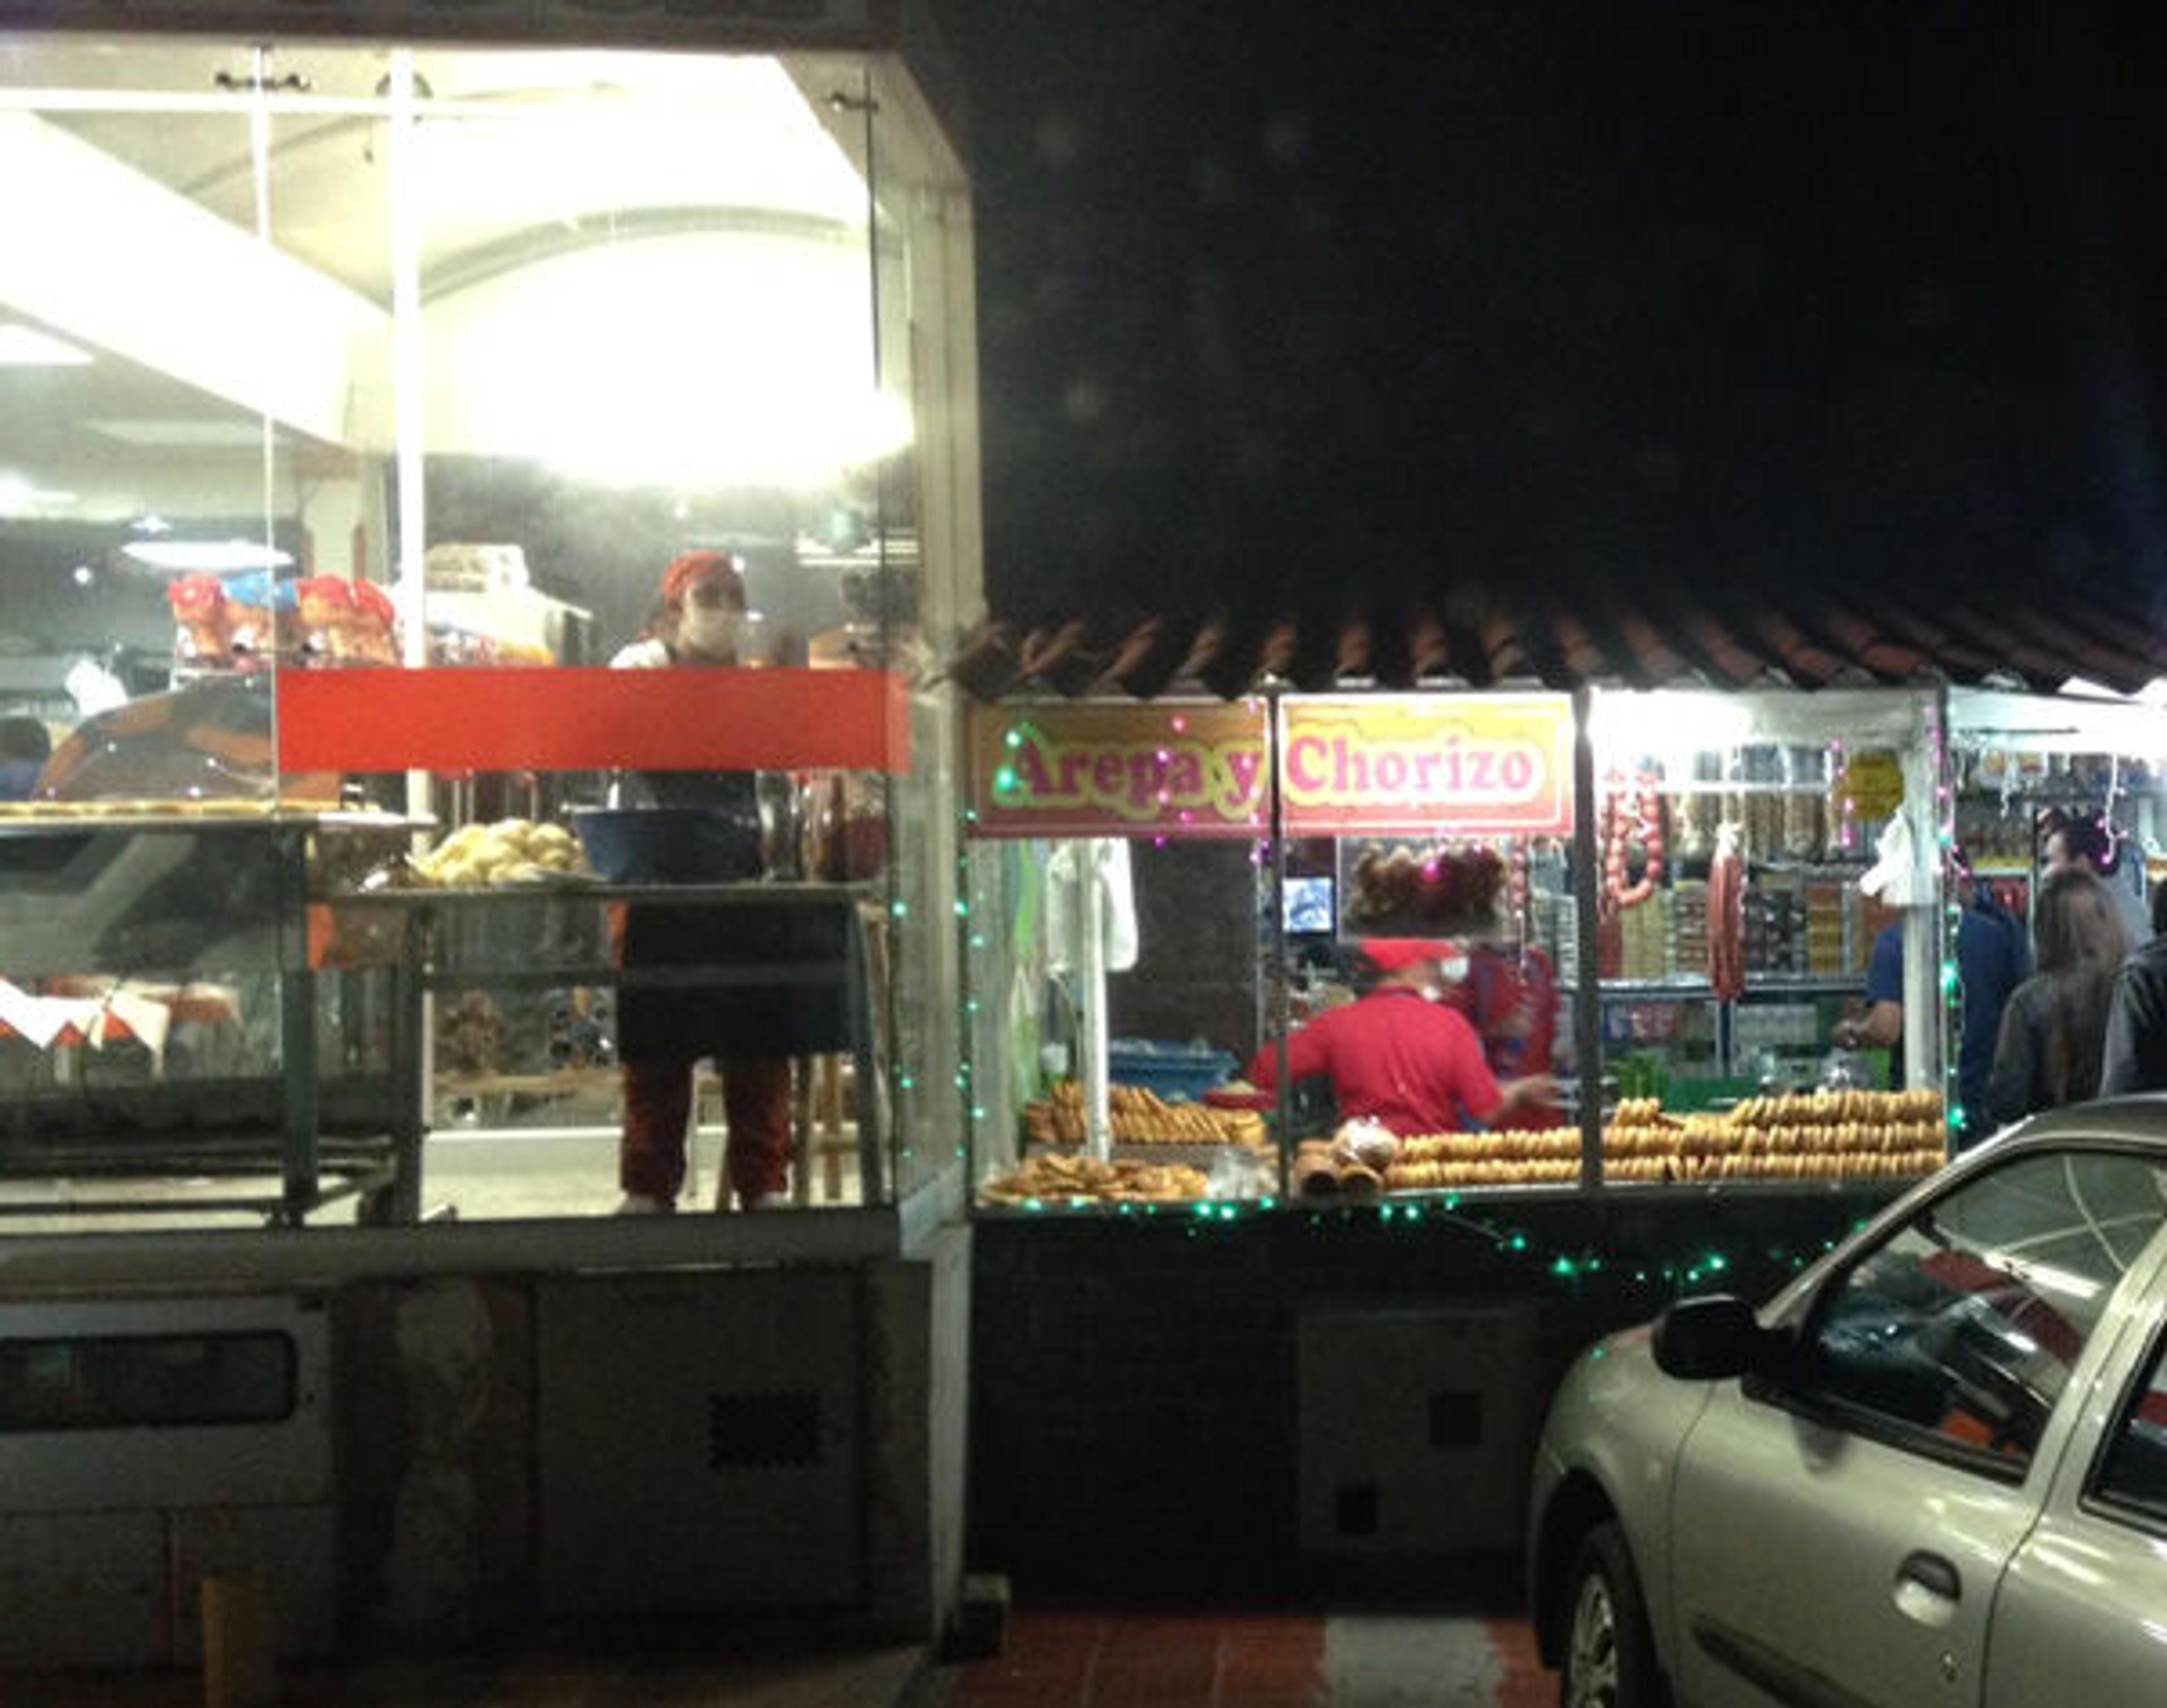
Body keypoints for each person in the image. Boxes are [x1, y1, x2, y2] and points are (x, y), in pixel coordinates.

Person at [608, 550, 840, 1213]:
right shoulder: (642, 669)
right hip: (661, 879)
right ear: (675, 607)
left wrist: (789, 688)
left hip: (746, 876)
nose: (724, 610)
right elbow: (613, 729)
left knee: (759, 1042)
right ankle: (648, 1188)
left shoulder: (755, 683)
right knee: (655, 1044)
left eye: (733, 598)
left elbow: (791, 763)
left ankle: (762, 1184)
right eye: (709, 596)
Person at [1246, 938, 1557, 1136]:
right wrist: (1521, 1090)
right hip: (1432, 1169)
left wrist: (1269, 1117)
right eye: (1432, 965)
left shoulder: (1338, 1024)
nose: (1438, 973)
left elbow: (1265, 1068)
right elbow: (1485, 1109)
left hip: (1361, 1168)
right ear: (1409, 969)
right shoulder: (1451, 1026)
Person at [1833, 857, 2029, 1144]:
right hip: (1984, 1104)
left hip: (1918, 1108)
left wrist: (1851, 1031)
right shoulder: (1998, 935)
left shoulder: (1897, 942)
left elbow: (1887, 1028)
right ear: (1963, 881)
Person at [1984, 868, 2127, 1125]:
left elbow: (2006, 1102)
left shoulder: (2029, 1002)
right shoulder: (2134, 989)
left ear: (2044, 930)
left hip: (2055, 1153)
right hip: (2129, 1146)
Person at [2042, 809, 2150, 947]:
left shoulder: (2104, 924)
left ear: (2082, 863)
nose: (2046, 874)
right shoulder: (2129, 913)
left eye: (2053, 861)